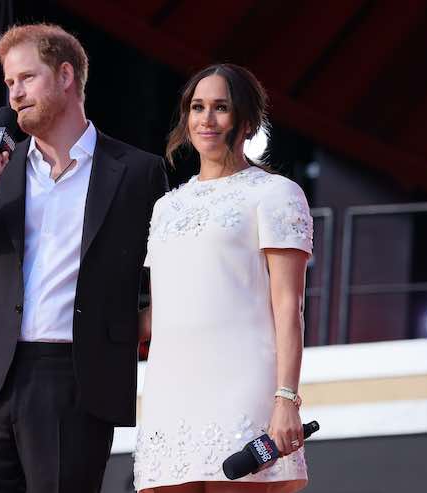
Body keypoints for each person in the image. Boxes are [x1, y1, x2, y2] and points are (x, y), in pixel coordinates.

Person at [0, 23, 168, 493]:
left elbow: (168, 267)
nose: (15, 94)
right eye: (9, 83)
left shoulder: (138, 172)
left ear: (65, 76)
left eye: (27, 78)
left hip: (75, 380)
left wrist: (147, 319)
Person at [134, 64, 312, 493]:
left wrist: (286, 399)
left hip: (242, 387)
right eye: (197, 107)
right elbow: (161, 311)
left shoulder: (275, 194)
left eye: (221, 108)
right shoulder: (166, 207)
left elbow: (289, 306)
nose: (206, 120)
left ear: (247, 121)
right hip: (168, 391)